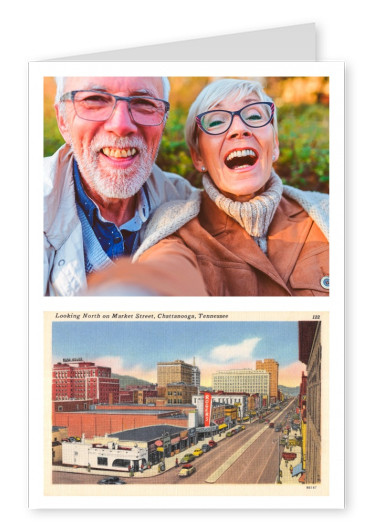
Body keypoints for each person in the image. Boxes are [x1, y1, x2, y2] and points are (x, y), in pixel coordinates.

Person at [87, 78, 329, 296]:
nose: (239, 129)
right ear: (198, 157)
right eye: (216, 121)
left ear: (274, 144)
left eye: (254, 116)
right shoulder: (176, 229)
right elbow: (165, 271)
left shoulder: (328, 213)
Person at [44, 76, 198, 296]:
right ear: (62, 120)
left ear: (163, 121)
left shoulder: (187, 204)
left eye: (144, 103)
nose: (121, 126)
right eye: (95, 99)